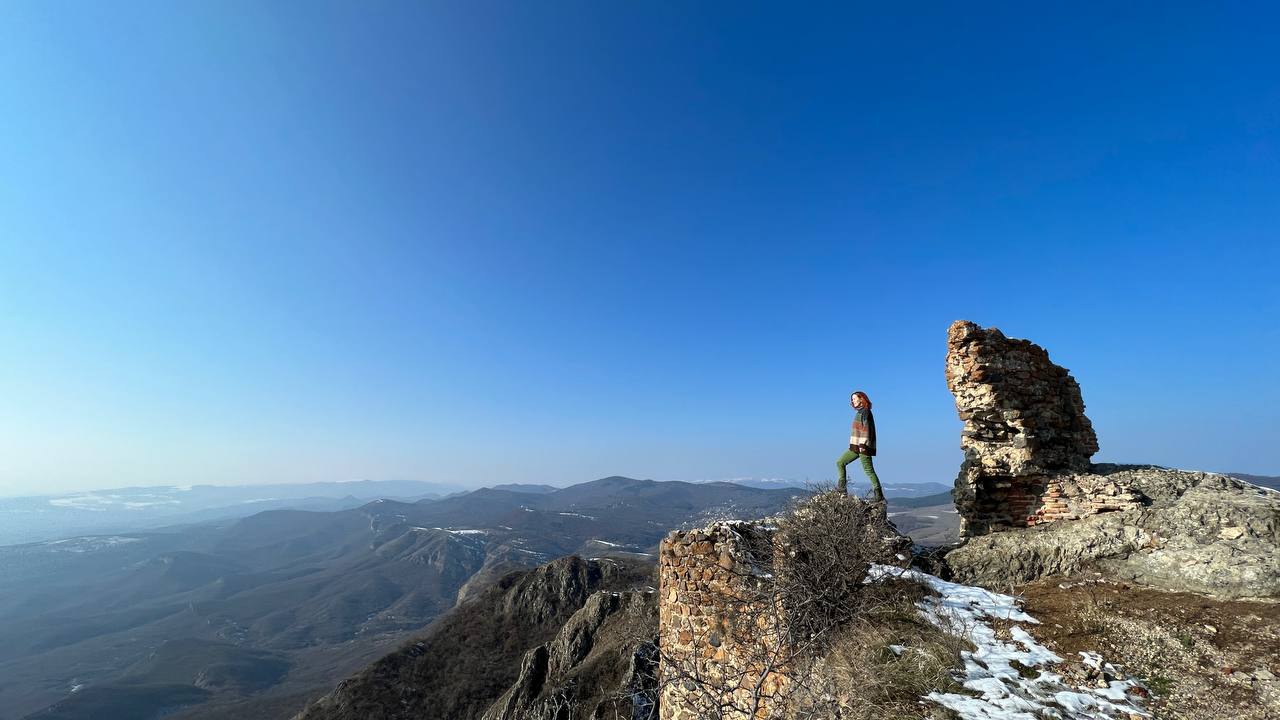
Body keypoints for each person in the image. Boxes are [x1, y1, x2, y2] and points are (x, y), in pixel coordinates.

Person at [837, 390, 884, 502]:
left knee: (868, 470)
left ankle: (879, 495)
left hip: (863, 446)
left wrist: (862, 444)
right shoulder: (859, 412)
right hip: (855, 447)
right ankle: (842, 490)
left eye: (854, 398)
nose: (852, 401)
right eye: (852, 399)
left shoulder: (865, 412)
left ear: (861, 398)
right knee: (840, 462)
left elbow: (866, 429)